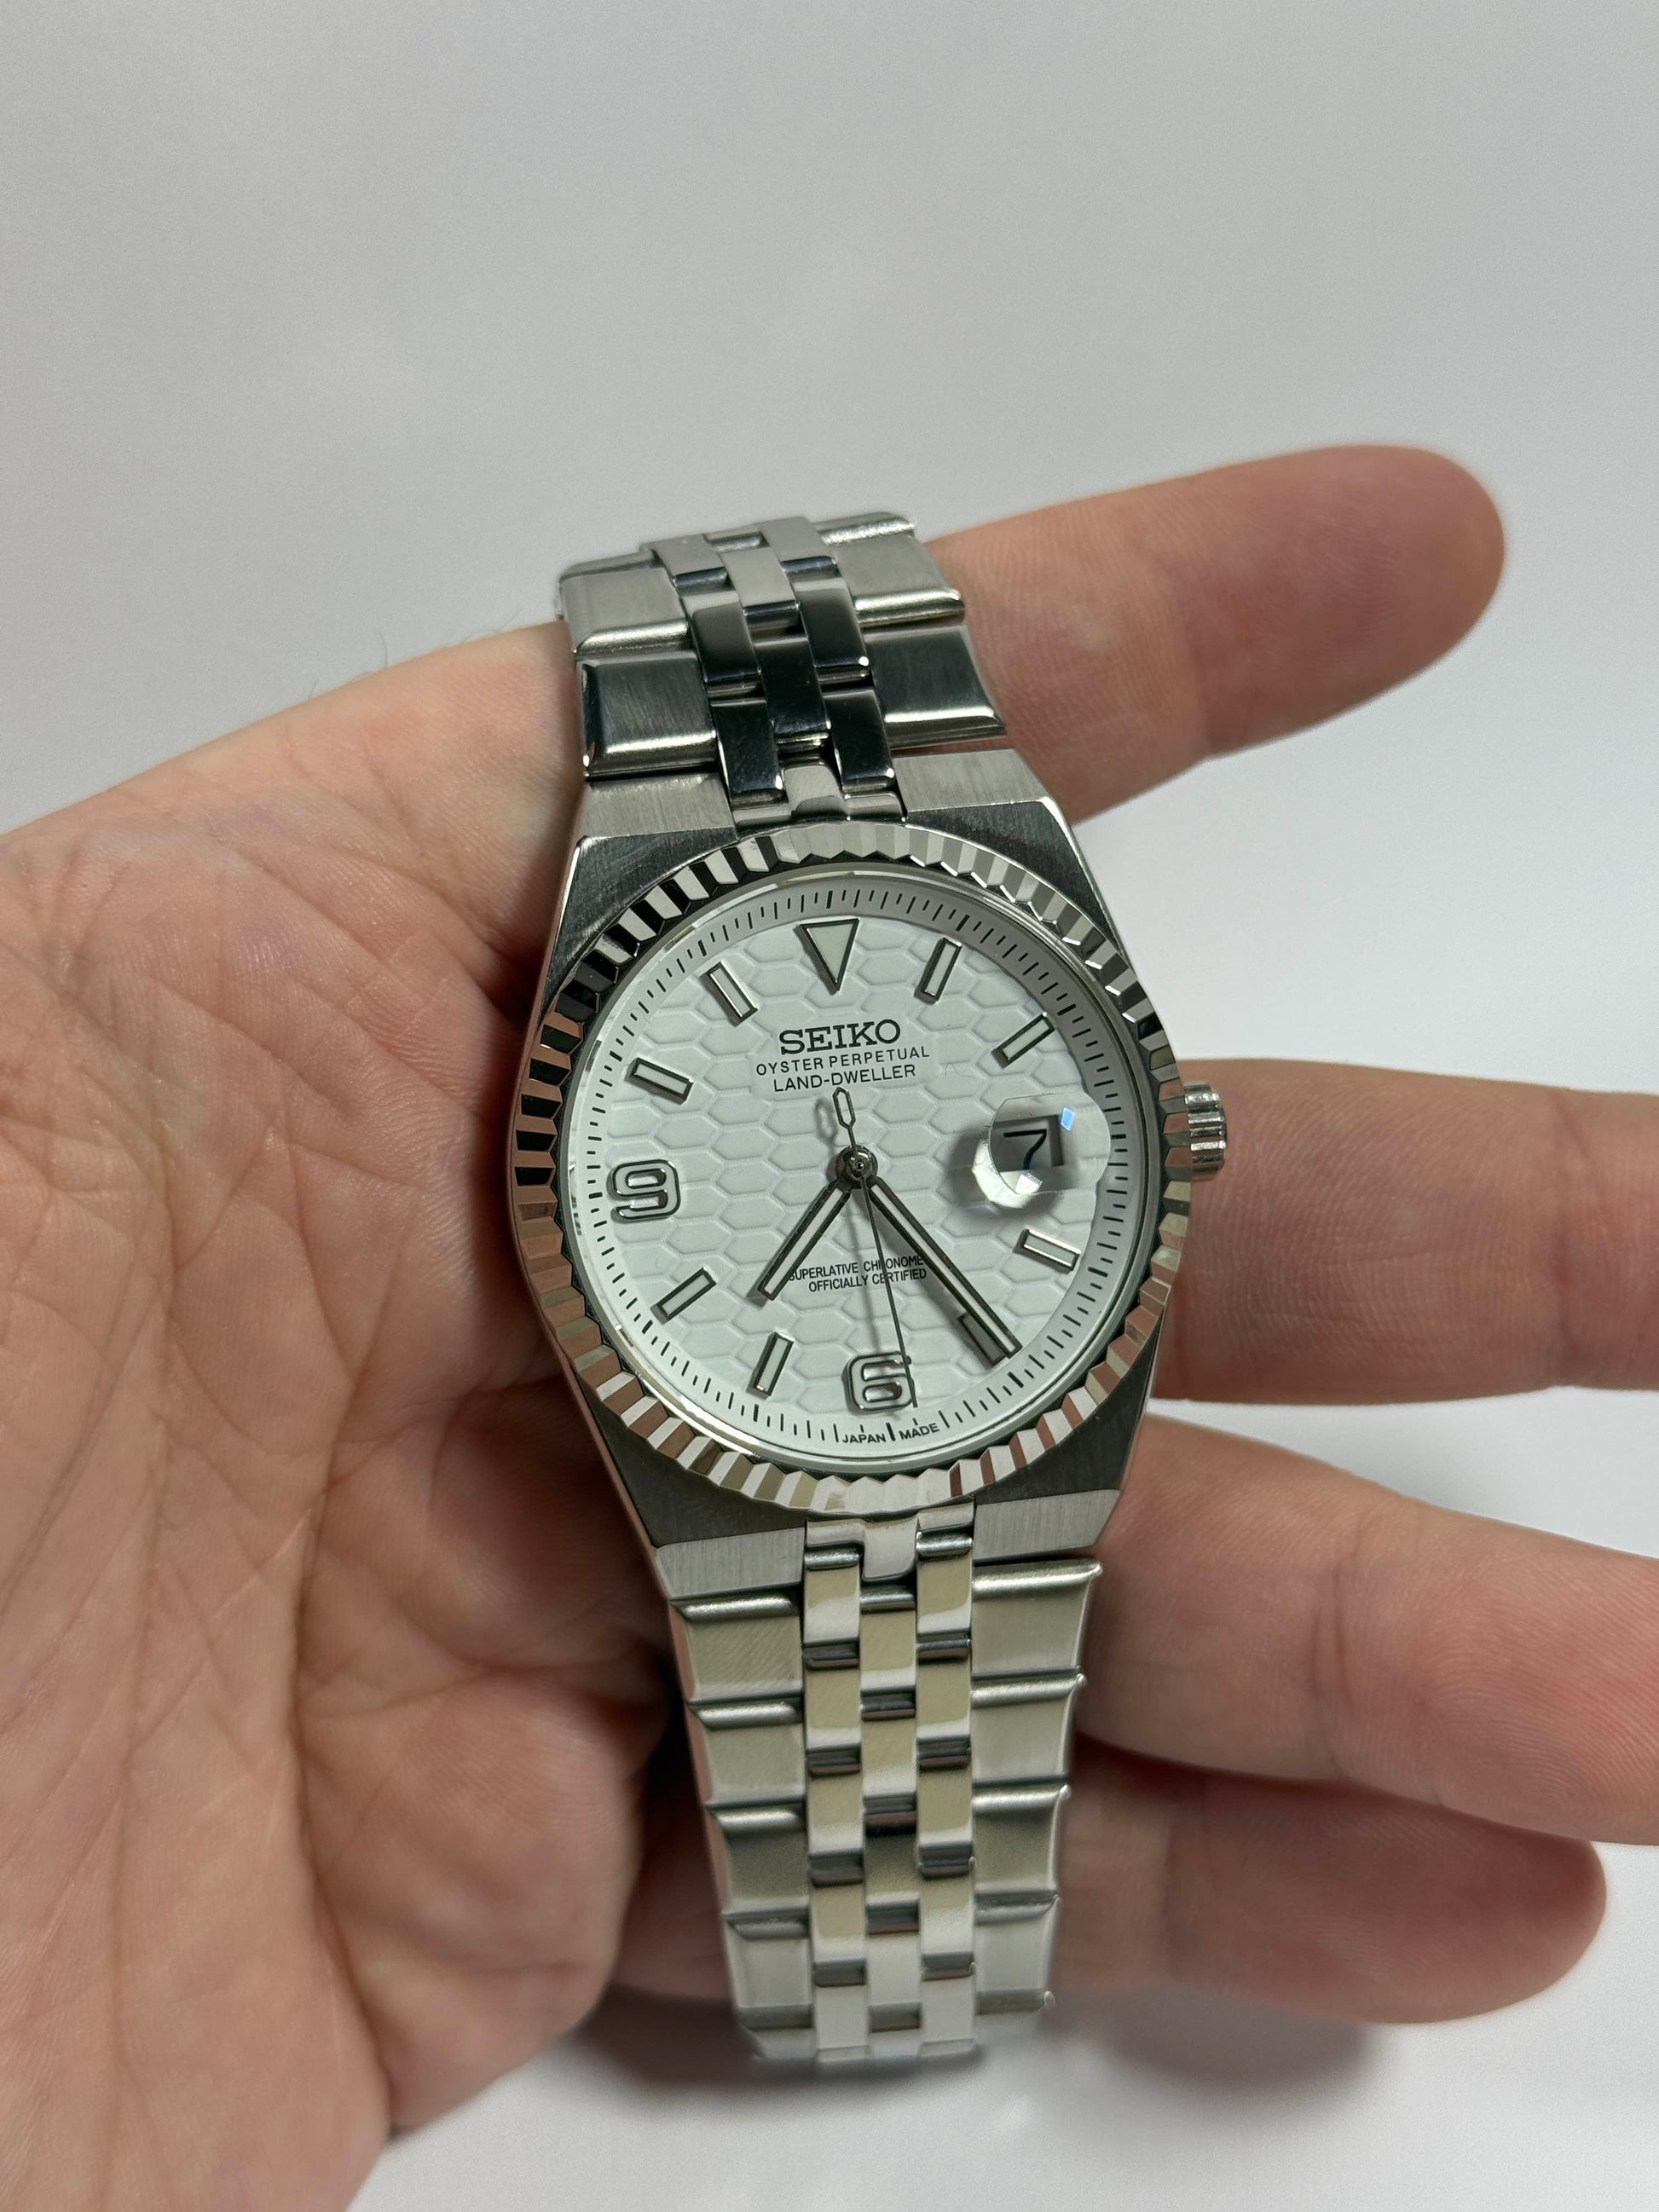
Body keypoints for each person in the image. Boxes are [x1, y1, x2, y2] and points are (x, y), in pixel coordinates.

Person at [1, 446, 1650, 2209]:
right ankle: (889, 1989)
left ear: (1171, 1135)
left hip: (989, 1394)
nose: (855, 1158)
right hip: (779, 1418)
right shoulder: (614, 1012)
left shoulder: (1078, 1084)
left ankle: (911, 1986)